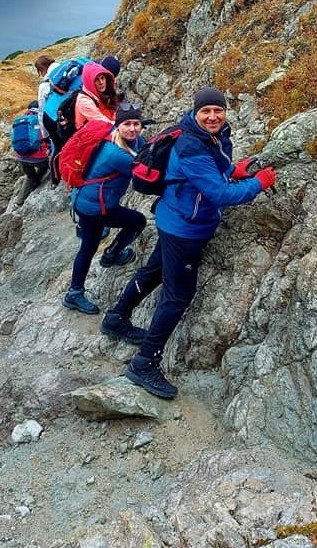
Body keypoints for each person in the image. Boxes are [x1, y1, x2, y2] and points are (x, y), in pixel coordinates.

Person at [102, 87, 277, 400]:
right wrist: (258, 183)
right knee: (178, 294)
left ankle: (116, 318)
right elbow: (220, 194)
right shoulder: (191, 145)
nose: (212, 116)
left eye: (218, 110)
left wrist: (233, 170)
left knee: (153, 271)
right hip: (186, 229)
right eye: (205, 111)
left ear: (225, 112)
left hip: (175, 218)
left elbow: (214, 170)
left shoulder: (212, 135)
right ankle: (144, 363)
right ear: (196, 113)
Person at [62, 105, 147, 317]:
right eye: (127, 124)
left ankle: (77, 289)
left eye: (136, 124)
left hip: (90, 202)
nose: (132, 129)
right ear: (118, 126)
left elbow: (143, 151)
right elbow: (145, 176)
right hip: (94, 208)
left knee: (89, 246)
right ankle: (108, 258)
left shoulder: (125, 141)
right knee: (136, 222)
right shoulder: (116, 154)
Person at [14, 101, 50, 204]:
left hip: (20, 157)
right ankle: (36, 183)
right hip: (37, 158)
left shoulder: (20, 120)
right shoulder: (40, 119)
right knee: (45, 166)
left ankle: (19, 201)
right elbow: (46, 138)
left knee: (29, 176)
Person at [74, 62, 118, 130]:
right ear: (90, 81)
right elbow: (104, 125)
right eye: (96, 80)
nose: (101, 82)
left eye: (102, 78)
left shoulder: (102, 91)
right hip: (90, 134)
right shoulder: (84, 102)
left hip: (107, 122)